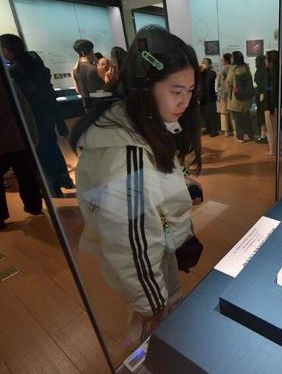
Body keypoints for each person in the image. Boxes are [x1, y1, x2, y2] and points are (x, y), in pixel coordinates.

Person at [70, 25, 203, 342]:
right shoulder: (126, 152)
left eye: (189, 91)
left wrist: (178, 183)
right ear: (144, 87)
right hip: (149, 268)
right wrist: (152, 305)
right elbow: (130, 245)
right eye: (176, 91)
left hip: (160, 249)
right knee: (160, 327)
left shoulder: (137, 123)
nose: (184, 102)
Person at [1, 33, 74, 197]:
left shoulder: (13, 71)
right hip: (47, 114)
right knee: (52, 147)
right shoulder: (35, 63)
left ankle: (53, 187)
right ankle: (64, 180)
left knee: (40, 153)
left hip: (31, 118)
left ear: (5, 50)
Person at [0, 78, 43, 230]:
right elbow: (25, 110)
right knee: (26, 175)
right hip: (18, 138)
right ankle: (34, 206)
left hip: (8, 141)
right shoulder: (9, 81)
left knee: (26, 174)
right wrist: (32, 136)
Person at [226, 51, 254, 143]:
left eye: (232, 57)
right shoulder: (246, 67)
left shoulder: (232, 69)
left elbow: (228, 82)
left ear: (234, 58)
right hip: (246, 97)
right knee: (247, 118)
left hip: (235, 98)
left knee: (237, 119)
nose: (231, 58)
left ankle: (240, 137)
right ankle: (251, 135)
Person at [264, 50, 282, 156]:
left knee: (271, 129)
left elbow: (272, 90)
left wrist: (271, 107)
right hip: (280, 104)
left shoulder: (272, 72)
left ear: (271, 60)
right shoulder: (280, 70)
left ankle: (273, 151)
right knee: (276, 127)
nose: (265, 61)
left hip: (272, 104)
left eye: (266, 58)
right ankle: (280, 147)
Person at [72, 39, 105, 109]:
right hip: (102, 104)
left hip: (87, 106)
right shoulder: (96, 68)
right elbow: (107, 85)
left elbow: (78, 90)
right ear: (91, 51)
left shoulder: (74, 70)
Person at [199, 58, 219, 137]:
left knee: (212, 115)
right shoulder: (202, 73)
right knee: (205, 115)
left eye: (204, 62)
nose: (202, 64)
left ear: (209, 64)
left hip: (210, 97)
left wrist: (203, 72)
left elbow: (208, 82)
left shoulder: (212, 73)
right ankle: (208, 128)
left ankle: (214, 131)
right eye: (202, 62)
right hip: (203, 97)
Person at [216, 53, 234, 137]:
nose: (222, 61)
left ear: (226, 60)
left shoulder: (222, 70)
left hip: (223, 94)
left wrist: (219, 90)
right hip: (232, 94)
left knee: (224, 113)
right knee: (232, 113)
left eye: (223, 60)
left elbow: (219, 82)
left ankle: (226, 131)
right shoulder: (233, 68)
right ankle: (235, 130)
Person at [254, 54, 268, 144]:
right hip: (264, 95)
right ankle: (265, 135)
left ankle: (263, 136)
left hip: (260, 95)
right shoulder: (267, 70)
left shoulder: (259, 71)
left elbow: (257, 81)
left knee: (261, 116)